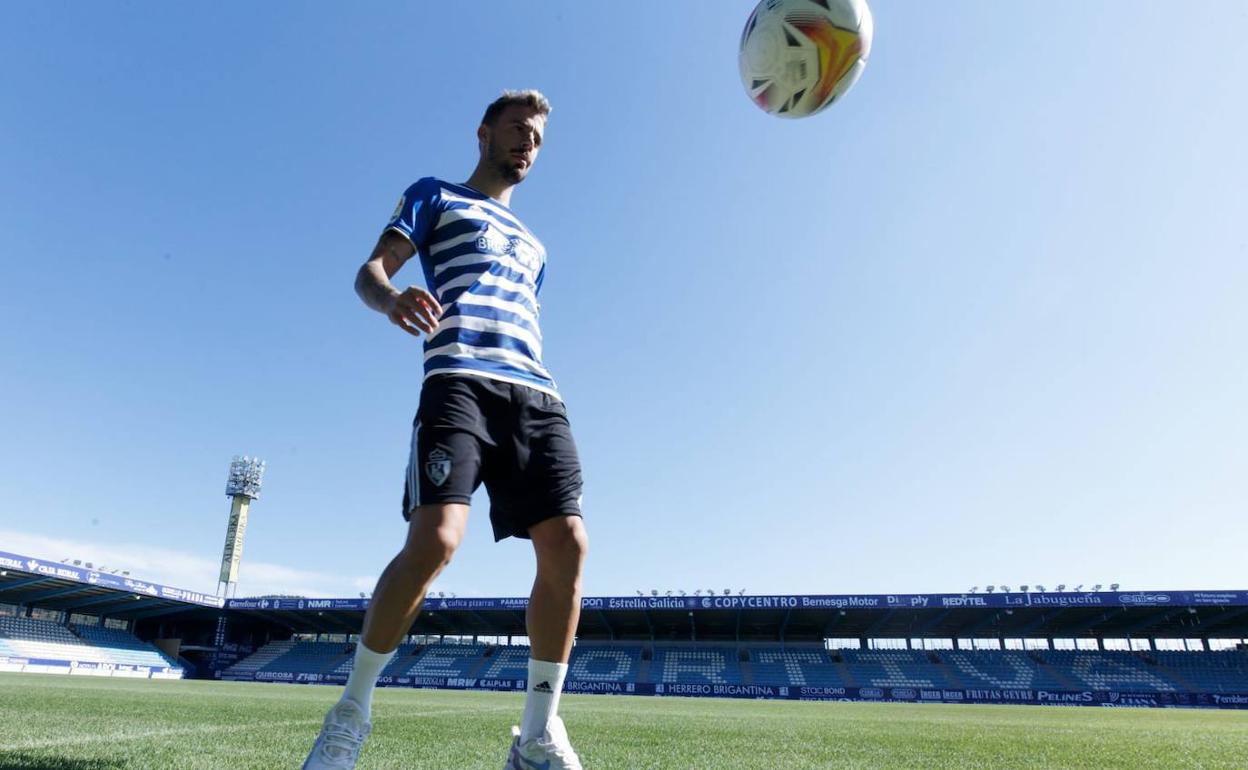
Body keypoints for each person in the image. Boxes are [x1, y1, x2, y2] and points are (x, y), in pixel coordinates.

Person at [303, 89, 587, 770]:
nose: (528, 143)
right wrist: (390, 299)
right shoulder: (434, 195)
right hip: (458, 379)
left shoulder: (537, 247)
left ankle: (536, 736)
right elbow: (370, 272)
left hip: (536, 394)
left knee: (569, 545)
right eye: (517, 129)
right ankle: (350, 713)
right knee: (435, 541)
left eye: (537, 137)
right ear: (484, 133)